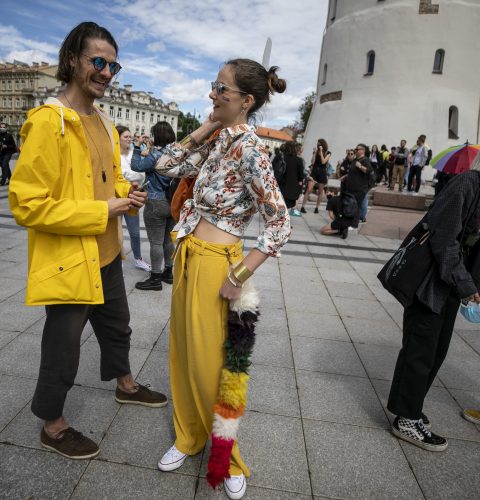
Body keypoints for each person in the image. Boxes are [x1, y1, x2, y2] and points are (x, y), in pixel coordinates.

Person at [8, 22, 167, 460]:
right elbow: (26, 204)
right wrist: (104, 211)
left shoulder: (103, 121)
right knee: (62, 346)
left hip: (108, 252)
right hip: (69, 260)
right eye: (98, 61)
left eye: (113, 64)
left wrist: (125, 196)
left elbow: (110, 178)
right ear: (73, 59)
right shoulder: (48, 122)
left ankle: (126, 386)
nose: (107, 71)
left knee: (118, 327)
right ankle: (53, 426)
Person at [151, 59, 290, 499]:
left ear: (247, 101)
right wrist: (205, 127)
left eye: (222, 90)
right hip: (188, 253)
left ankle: (226, 455)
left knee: (215, 364)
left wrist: (240, 273)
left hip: (218, 262)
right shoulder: (215, 138)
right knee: (183, 351)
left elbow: (280, 223)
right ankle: (189, 437)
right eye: (214, 86)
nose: (213, 94)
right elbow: (165, 165)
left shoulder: (252, 150)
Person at [387, 128, 480, 452]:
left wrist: (472, 286)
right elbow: (443, 239)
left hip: (453, 281)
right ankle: (405, 418)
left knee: (436, 351)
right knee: (419, 351)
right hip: (431, 281)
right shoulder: (467, 184)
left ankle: (412, 408)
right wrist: (466, 285)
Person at [131, 121, 177, 290]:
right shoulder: (177, 153)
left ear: (157, 135)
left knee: (156, 242)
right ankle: (168, 272)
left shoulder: (156, 155)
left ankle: (155, 278)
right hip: (172, 201)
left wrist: (137, 148)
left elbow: (136, 166)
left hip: (155, 201)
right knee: (167, 240)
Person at [116, 125, 151, 271]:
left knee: (135, 232)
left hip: (133, 196)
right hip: (116, 196)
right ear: (117, 138)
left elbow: (141, 174)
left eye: (130, 137)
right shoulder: (114, 155)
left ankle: (138, 259)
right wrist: (131, 175)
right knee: (116, 233)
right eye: (126, 137)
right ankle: (118, 261)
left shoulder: (134, 153)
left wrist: (128, 175)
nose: (129, 139)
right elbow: (122, 175)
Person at [340, 143, 372, 225]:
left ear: (362, 151)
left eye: (357, 149)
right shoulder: (355, 160)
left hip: (359, 188)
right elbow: (352, 171)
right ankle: (350, 222)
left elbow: (368, 171)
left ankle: (354, 223)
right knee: (352, 205)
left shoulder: (365, 160)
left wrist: (361, 166)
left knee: (356, 206)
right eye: (356, 149)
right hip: (351, 187)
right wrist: (345, 176)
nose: (355, 150)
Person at [300, 138, 331, 214]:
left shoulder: (328, 153)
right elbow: (312, 162)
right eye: (317, 144)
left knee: (320, 192)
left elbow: (323, 162)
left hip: (322, 172)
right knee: (309, 189)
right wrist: (314, 153)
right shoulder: (316, 151)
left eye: (319, 144)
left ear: (323, 145)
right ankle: (303, 206)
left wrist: (320, 152)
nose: (318, 145)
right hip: (314, 172)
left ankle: (317, 207)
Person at [279, 141, 305, 216]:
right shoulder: (298, 160)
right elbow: (301, 176)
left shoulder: (281, 157)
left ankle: (279, 220)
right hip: (292, 187)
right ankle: (284, 221)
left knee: (280, 203)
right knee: (287, 205)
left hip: (280, 184)